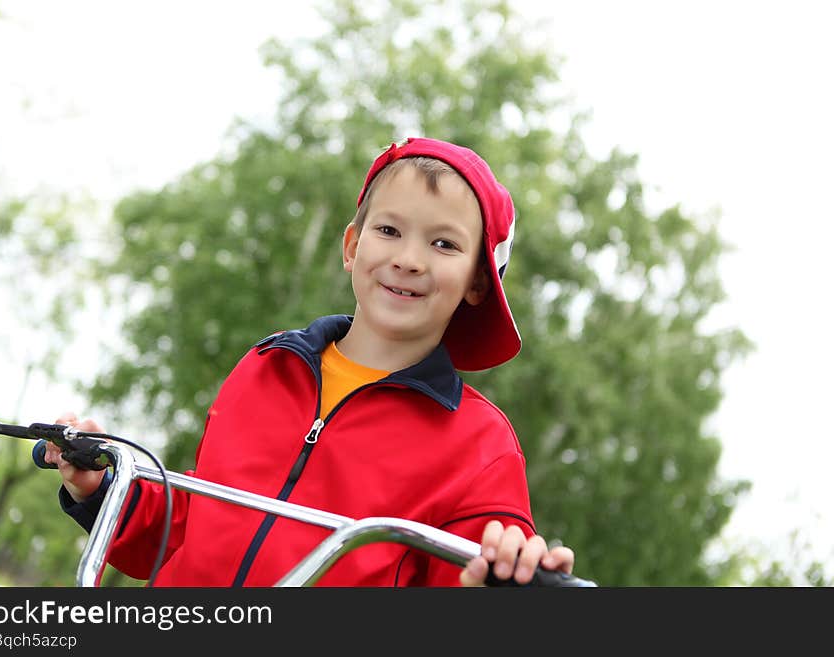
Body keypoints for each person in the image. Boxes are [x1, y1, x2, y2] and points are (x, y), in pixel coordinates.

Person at [48, 137, 576, 587]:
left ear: (478, 282)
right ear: (352, 246)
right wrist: (102, 484)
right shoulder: (266, 365)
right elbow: (189, 524)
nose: (409, 259)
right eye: (389, 231)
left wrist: (507, 569)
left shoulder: (480, 444)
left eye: (443, 243)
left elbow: (477, 570)